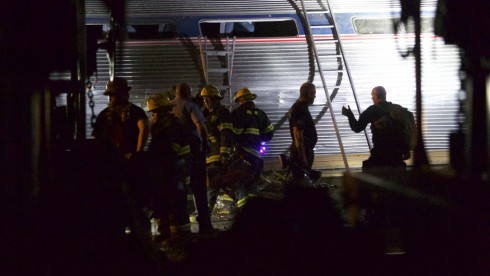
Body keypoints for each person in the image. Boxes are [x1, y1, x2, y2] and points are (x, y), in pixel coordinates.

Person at [145, 94, 191, 244]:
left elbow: (170, 151)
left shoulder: (172, 126)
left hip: (174, 171)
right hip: (168, 171)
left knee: (175, 204)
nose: (153, 116)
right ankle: (166, 233)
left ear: (163, 111)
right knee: (163, 202)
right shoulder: (162, 127)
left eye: (155, 112)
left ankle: (180, 236)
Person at [171, 82, 214, 233]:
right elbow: (200, 126)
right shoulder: (190, 106)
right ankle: (205, 226)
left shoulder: (169, 108)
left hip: (175, 154)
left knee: (179, 189)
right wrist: (205, 145)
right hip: (193, 151)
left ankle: (181, 227)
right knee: (199, 188)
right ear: (188, 92)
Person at [341, 86, 406, 176]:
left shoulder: (372, 110)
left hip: (381, 152)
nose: (372, 98)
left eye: (372, 95)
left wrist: (349, 115)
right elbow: (404, 130)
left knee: (370, 173)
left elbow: (357, 128)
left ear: (376, 95)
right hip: (397, 154)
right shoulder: (397, 109)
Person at [231, 87, 274, 204]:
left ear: (241, 100)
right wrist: (258, 140)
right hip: (257, 155)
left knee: (241, 182)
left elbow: (234, 133)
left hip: (242, 153)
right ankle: (254, 210)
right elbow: (269, 134)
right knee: (253, 182)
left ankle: (244, 212)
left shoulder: (237, 113)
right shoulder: (261, 114)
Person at [92, 77, 149, 160]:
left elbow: (144, 129)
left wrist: (137, 153)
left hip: (123, 157)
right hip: (112, 158)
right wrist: (137, 153)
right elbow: (144, 128)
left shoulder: (135, 111)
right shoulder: (104, 114)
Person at [200, 85, 235, 211]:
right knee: (222, 185)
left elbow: (226, 133)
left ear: (216, 99)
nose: (206, 102)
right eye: (204, 99)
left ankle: (206, 216)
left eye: (208, 99)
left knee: (213, 186)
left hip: (219, 157)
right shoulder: (205, 115)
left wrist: (224, 154)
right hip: (210, 157)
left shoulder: (222, 113)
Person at [287, 82, 318, 183]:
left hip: (302, 150)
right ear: (308, 94)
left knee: (301, 181)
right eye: (314, 94)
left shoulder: (299, 107)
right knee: (300, 183)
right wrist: (302, 156)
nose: (315, 96)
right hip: (301, 151)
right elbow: (297, 133)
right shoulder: (300, 109)